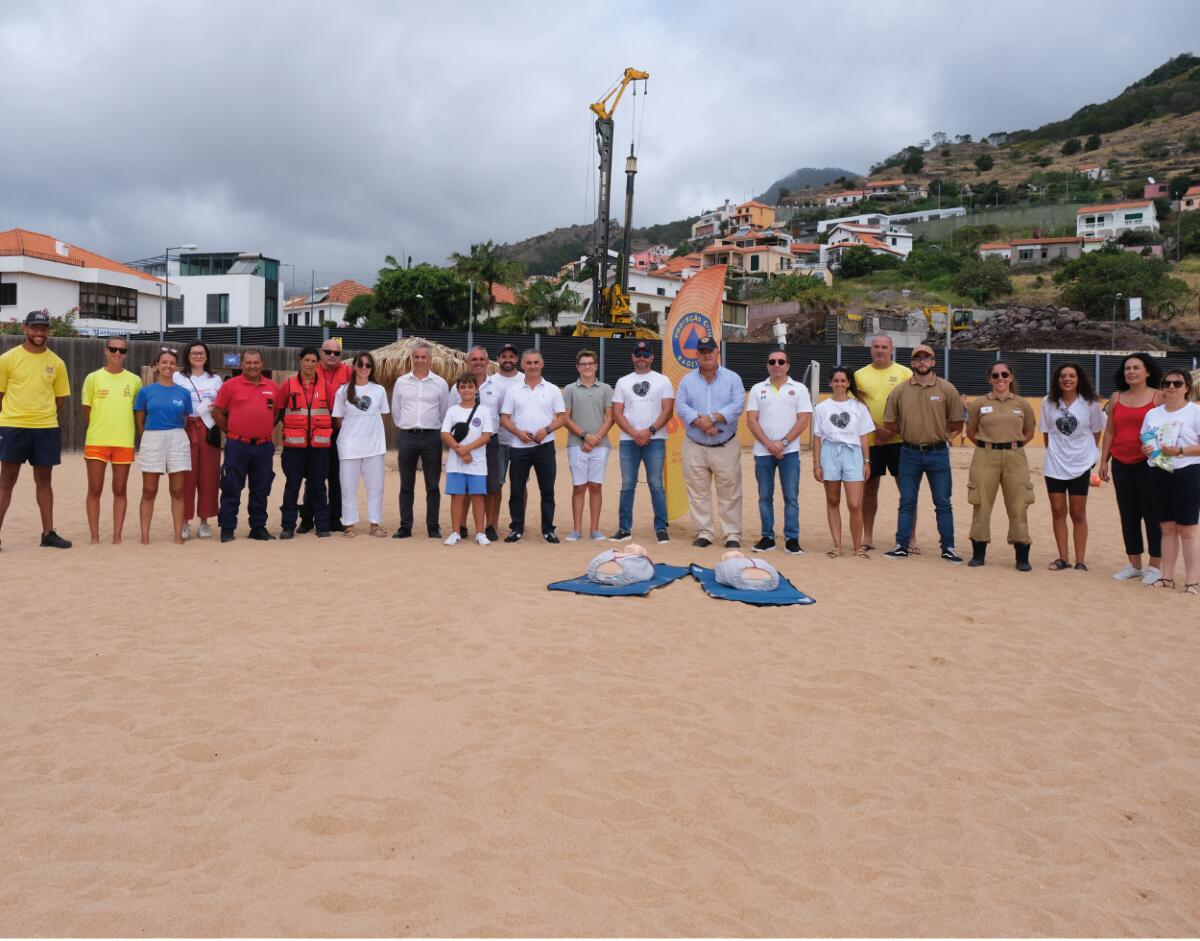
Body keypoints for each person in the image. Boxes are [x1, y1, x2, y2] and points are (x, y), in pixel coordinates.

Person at [880, 344, 964, 562]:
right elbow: (890, 422)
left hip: (938, 453)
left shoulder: (947, 389)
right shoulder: (900, 391)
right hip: (909, 452)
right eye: (918, 358)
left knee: (943, 502)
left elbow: (957, 422)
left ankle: (948, 548)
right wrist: (910, 432)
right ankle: (901, 545)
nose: (922, 362)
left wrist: (939, 434)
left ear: (933, 362)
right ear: (912, 363)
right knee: (907, 501)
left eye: (927, 358)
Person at [0, 310, 72, 549]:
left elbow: (60, 399)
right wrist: (13, 416)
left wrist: (42, 414)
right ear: (25, 329)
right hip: (13, 426)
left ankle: (48, 533)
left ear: (48, 331)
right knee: (6, 480)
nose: (39, 333)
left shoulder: (57, 362)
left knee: (44, 481)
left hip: (45, 427)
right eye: (34, 328)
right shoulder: (8, 359)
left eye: (43, 328)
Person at [964, 360, 1037, 570]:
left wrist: (1013, 445)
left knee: (1019, 504)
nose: (1000, 379)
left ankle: (1022, 556)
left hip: (1015, 457)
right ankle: (978, 553)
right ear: (989, 379)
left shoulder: (1022, 404)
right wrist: (988, 445)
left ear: (1011, 377)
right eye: (995, 375)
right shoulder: (979, 404)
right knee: (981, 503)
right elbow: (971, 431)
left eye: (1004, 374)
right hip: (985, 456)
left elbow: (1030, 431)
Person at [1099, 353, 1164, 585]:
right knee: (1128, 516)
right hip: (1121, 464)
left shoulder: (1159, 396)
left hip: (1148, 464)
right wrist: (1103, 461)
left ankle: (1155, 566)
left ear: (1148, 371)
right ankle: (1134, 565)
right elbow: (1110, 431)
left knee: (1152, 516)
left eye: (1136, 367)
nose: (1131, 372)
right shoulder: (1116, 397)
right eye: (1127, 368)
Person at [675, 337, 746, 549]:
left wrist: (712, 418)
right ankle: (704, 532)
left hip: (725, 446)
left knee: (730, 492)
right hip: (695, 446)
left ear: (717, 352)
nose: (706, 355)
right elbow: (681, 406)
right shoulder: (687, 380)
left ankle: (731, 534)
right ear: (697, 354)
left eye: (710, 350)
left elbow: (737, 406)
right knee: (698, 492)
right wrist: (702, 423)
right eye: (702, 351)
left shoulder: (733, 378)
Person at [1139, 369, 1200, 594]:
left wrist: (1180, 451)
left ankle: (1192, 581)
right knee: (1167, 528)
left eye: (1177, 383)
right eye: (1167, 383)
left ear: (1187, 387)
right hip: (1158, 471)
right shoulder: (1153, 414)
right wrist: (1146, 450)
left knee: (1188, 529)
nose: (1171, 387)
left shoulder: (1195, 412)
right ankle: (1166, 577)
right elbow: (1146, 440)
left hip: (1187, 472)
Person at [746, 348, 812, 554]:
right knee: (765, 496)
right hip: (763, 452)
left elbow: (804, 420)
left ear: (788, 365)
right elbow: (751, 420)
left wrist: (782, 443)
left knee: (791, 496)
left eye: (781, 362)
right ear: (767, 365)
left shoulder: (799, 389)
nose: (776, 365)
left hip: (789, 452)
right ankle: (767, 537)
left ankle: (792, 539)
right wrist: (769, 445)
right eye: (772, 361)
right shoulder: (757, 389)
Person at [1041, 362, 1106, 571]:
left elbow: (1096, 431)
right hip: (1055, 465)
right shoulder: (1048, 402)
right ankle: (1063, 558)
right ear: (1057, 379)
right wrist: (1055, 453)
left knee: (1078, 513)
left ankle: (1080, 561)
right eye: (1063, 376)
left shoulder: (1090, 403)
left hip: (1080, 464)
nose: (1067, 379)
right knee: (1058, 510)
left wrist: (1087, 454)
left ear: (1079, 379)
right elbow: (1046, 433)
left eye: (1072, 376)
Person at [854, 334, 916, 552]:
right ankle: (868, 537)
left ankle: (911, 538)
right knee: (869, 490)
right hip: (871, 442)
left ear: (892, 349)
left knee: (906, 491)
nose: (880, 350)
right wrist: (877, 430)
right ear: (871, 349)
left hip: (899, 441)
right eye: (876, 346)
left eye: (884, 347)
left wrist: (890, 430)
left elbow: (911, 407)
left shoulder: (905, 373)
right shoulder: (859, 375)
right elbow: (857, 409)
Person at [448, 345, 516, 542]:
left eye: (481, 359)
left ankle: (491, 525)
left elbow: (503, 415)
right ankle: (461, 525)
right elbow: (450, 417)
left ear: (487, 362)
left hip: (491, 442)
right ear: (468, 362)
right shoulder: (456, 387)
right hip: (463, 444)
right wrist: (459, 447)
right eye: (474, 359)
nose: (478, 362)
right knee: (465, 486)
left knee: (493, 486)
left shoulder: (498, 388)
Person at [211, 348, 278, 542]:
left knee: (261, 489)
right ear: (241, 364)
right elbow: (217, 412)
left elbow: (277, 412)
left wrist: (263, 428)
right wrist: (232, 432)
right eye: (248, 362)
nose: (252, 366)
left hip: (264, 447)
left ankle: (258, 528)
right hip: (237, 446)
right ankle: (227, 528)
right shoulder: (230, 386)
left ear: (262, 364)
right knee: (231, 487)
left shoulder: (273, 387)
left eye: (256, 362)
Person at [611, 340, 674, 543]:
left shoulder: (663, 380)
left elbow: (668, 410)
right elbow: (617, 412)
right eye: (638, 354)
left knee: (656, 484)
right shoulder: (622, 382)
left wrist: (649, 431)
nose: (641, 358)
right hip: (628, 441)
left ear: (652, 357)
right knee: (627, 485)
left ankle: (661, 528)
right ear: (632, 357)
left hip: (655, 439)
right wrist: (634, 433)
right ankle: (624, 529)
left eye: (646, 354)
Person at [499, 349, 566, 543]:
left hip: (545, 446)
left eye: (536, 362)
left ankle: (548, 530)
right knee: (516, 490)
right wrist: (518, 433)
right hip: (519, 447)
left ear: (542, 364)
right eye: (529, 363)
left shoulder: (552, 389)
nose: (533, 366)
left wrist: (547, 430)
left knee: (547, 490)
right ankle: (517, 528)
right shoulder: (513, 391)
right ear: (522, 365)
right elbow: (504, 418)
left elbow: (562, 417)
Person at [81, 336, 140, 544]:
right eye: (113, 349)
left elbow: (137, 411)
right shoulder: (93, 378)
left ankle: (117, 536)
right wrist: (100, 427)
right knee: (95, 489)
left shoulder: (134, 380)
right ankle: (95, 537)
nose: (117, 353)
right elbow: (87, 409)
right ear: (105, 351)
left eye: (122, 350)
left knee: (120, 489)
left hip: (124, 441)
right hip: (97, 440)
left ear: (126, 354)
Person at [811, 366, 873, 559]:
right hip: (829, 454)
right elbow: (817, 438)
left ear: (848, 383)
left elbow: (863, 437)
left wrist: (866, 461)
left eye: (843, 381)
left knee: (854, 503)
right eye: (836, 380)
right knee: (833, 500)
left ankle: (857, 547)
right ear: (830, 383)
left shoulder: (859, 407)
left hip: (853, 455)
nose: (839, 384)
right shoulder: (821, 408)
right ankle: (837, 546)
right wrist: (816, 464)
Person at [134, 348, 193, 544]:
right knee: (149, 490)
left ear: (176, 367)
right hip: (152, 438)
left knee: (177, 490)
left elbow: (185, 418)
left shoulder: (183, 393)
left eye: (172, 362)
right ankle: (144, 536)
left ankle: (177, 535)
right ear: (156, 366)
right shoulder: (145, 392)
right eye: (164, 362)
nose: (168, 365)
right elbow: (140, 421)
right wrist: (148, 439)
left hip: (177, 438)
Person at [390, 341, 449, 539]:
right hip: (407, 436)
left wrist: (434, 428)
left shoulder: (440, 383)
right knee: (406, 485)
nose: (420, 360)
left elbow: (444, 411)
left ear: (430, 359)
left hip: (431, 437)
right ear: (412, 358)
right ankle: (405, 526)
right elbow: (396, 410)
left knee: (432, 485)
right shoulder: (401, 382)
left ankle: (433, 527)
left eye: (424, 357)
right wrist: (405, 426)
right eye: (417, 356)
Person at [332, 351, 390, 538]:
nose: (364, 368)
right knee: (348, 487)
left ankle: (375, 523)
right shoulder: (342, 391)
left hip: (374, 446)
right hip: (349, 446)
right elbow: (338, 419)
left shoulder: (379, 390)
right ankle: (349, 525)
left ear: (372, 368)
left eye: (368, 365)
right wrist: (352, 433)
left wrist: (371, 432)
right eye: (361, 364)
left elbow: (384, 415)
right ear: (354, 366)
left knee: (376, 487)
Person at [277, 347, 334, 539]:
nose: (310, 364)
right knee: (292, 486)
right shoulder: (287, 385)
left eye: (313, 361)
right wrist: (294, 429)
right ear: (300, 361)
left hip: (319, 447)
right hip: (294, 447)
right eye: (307, 360)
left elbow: (333, 414)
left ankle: (322, 526)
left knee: (318, 486)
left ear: (318, 364)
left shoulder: (326, 387)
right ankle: (287, 526)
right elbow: (279, 412)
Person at [298, 339, 351, 534]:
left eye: (336, 353)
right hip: (315, 430)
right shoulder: (311, 369)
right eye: (328, 352)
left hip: (339, 431)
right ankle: (307, 518)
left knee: (337, 477)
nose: (332, 356)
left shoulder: (349, 372)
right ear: (321, 353)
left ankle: (335, 519)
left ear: (341, 356)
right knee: (313, 476)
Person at [562, 348, 614, 542]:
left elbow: (610, 418)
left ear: (596, 366)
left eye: (590, 364)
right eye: (583, 364)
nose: (587, 367)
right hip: (576, 445)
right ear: (578, 367)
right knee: (579, 487)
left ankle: (594, 529)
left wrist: (595, 438)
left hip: (601, 445)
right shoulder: (570, 389)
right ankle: (576, 530)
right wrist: (585, 436)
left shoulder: (606, 389)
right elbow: (565, 418)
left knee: (595, 486)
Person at [174, 341, 222, 540]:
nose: (198, 356)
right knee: (186, 474)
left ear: (207, 356)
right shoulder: (178, 377)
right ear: (187, 355)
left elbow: (222, 403)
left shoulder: (215, 379)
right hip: (186, 426)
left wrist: (216, 407)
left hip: (208, 427)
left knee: (208, 475)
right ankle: (184, 521)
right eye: (194, 353)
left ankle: (204, 521)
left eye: (201, 353)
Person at [441, 372, 494, 546]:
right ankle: (455, 532)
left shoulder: (483, 411)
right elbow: (445, 433)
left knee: (478, 497)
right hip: (456, 463)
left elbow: (486, 436)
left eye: (470, 386)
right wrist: (460, 451)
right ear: (458, 390)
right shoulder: (452, 411)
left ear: (476, 389)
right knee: (457, 497)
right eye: (463, 387)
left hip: (477, 463)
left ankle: (480, 533)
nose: (466, 390)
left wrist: (467, 449)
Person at [586, 543, 655, 586]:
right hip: (619, 576)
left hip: (596, 573)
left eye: (636, 545)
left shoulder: (637, 561)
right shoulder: (641, 565)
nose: (633, 543)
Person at [714, 549, 780, 591]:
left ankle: (754, 580)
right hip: (767, 579)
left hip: (744, 578)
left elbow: (721, 577)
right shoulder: (758, 561)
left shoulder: (726, 567)